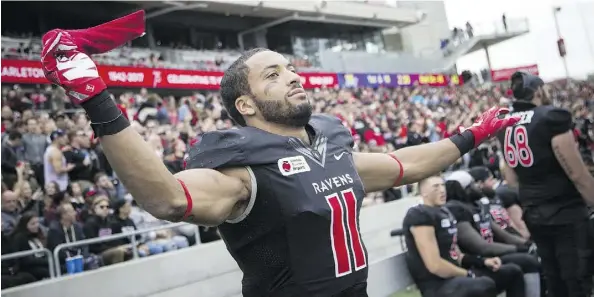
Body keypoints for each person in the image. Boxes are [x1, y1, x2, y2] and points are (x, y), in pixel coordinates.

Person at [38, 17, 519, 296]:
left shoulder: (328, 148)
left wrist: (474, 133)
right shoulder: (242, 169)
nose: (293, 77)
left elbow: (404, 165)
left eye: (290, 68)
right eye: (273, 75)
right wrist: (97, 97)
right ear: (245, 105)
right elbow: (167, 198)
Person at [497, 72, 594, 297]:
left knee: (554, 279)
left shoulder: (506, 124)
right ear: (538, 90)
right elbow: (577, 174)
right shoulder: (552, 117)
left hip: (533, 212)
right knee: (577, 279)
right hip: (565, 212)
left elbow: (511, 179)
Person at [403, 175, 524, 297]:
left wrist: (483, 261)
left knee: (512, 272)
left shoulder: (444, 212)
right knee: (483, 284)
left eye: (443, 185)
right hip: (437, 285)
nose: (442, 190)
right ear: (424, 192)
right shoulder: (419, 215)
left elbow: (457, 255)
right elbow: (435, 266)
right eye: (436, 187)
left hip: (456, 278)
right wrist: (467, 274)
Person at [443, 173, 541, 297]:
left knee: (534, 254)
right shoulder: (456, 209)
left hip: (492, 253)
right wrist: (517, 248)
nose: (477, 186)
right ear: (463, 188)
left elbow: (502, 234)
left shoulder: (477, 205)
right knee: (527, 261)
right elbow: (480, 246)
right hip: (479, 260)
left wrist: (526, 244)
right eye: (473, 184)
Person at [468, 166, 529, 238]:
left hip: (512, 237)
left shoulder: (495, 197)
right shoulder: (477, 205)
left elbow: (510, 223)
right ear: (480, 183)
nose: (494, 182)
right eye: (490, 180)